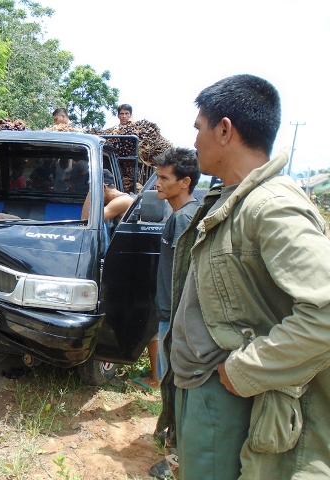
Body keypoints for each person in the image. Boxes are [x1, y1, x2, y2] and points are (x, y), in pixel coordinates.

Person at [157, 74, 330, 480]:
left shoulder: (271, 206)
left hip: (231, 396)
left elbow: (324, 314)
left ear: (224, 130)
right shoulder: (231, 199)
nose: (194, 140)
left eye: (198, 128)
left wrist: (243, 370)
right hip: (205, 391)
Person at [148, 147, 200, 479]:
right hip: (171, 314)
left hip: (176, 318)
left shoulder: (183, 218)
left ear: (185, 182)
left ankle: (178, 459)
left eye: (164, 177)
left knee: (177, 387)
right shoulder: (181, 214)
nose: (157, 183)